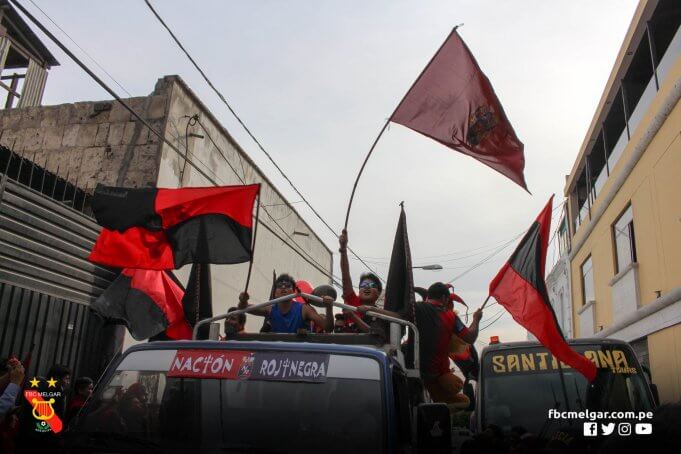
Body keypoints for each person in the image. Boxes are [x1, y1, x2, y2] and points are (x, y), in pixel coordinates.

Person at [358, 282, 482, 408]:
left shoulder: (417, 308)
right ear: (445, 298)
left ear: (429, 296)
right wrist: (476, 319)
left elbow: (397, 317)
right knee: (459, 401)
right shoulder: (451, 316)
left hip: (414, 368)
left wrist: (372, 309)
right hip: (438, 373)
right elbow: (470, 337)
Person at [238, 273, 334, 333]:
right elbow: (243, 308)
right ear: (275, 293)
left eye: (288, 286)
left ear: (293, 292)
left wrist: (329, 308)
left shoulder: (304, 309)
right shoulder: (270, 308)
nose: (284, 287)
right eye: (280, 286)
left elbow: (328, 327)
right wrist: (243, 300)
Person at [338, 230, 383, 333]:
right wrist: (343, 249)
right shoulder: (353, 302)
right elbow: (345, 275)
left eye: (372, 285)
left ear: (379, 293)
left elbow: (374, 335)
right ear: (359, 290)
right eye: (364, 285)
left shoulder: (380, 315)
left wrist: (353, 316)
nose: (367, 287)